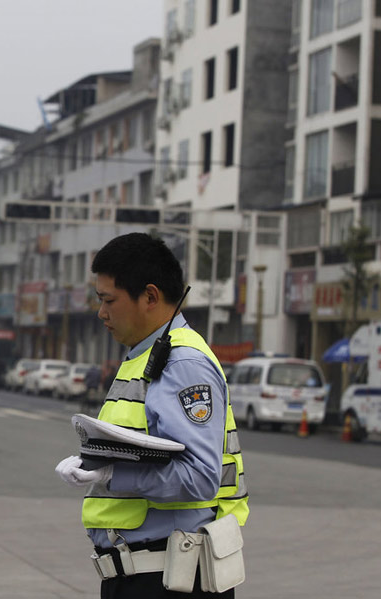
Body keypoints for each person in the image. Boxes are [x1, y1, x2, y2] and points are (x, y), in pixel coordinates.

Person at [55, 233, 248, 598]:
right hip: (142, 576)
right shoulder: (146, 356)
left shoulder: (183, 363)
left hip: (166, 578)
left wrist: (113, 473)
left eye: (109, 300)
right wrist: (94, 461)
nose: (102, 313)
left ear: (150, 296)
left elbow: (200, 477)